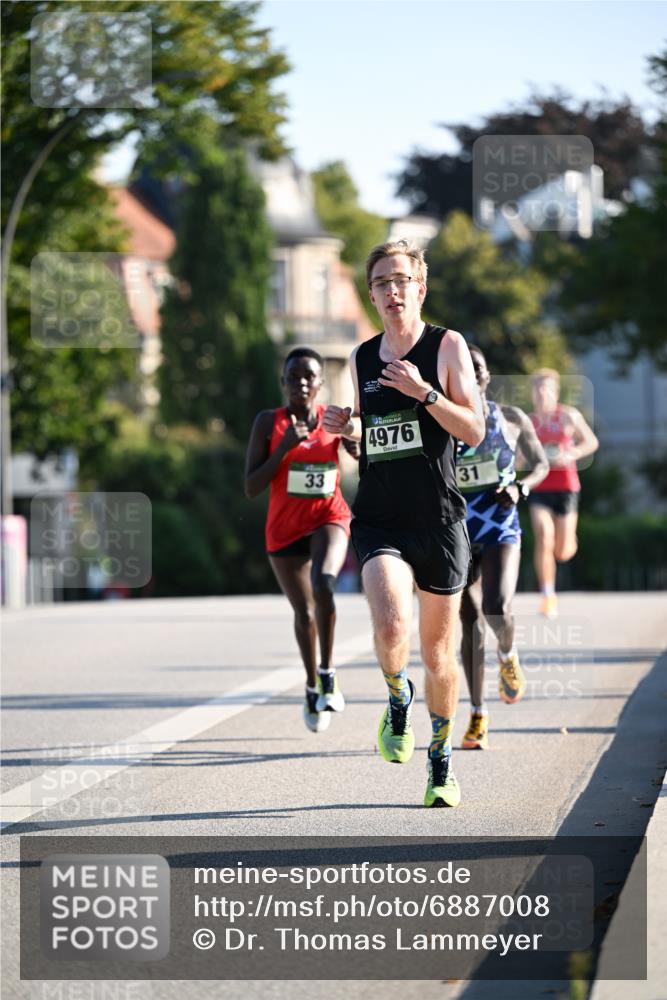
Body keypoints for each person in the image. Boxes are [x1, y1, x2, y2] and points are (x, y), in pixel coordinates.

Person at [324, 239, 484, 808]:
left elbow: (473, 430)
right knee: (392, 625)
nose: (391, 292)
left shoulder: (447, 346)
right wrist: (346, 430)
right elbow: (367, 447)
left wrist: (426, 393)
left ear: (420, 287)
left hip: (438, 521)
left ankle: (440, 764)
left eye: (400, 281)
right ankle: (397, 698)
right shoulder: (362, 357)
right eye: (380, 284)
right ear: (371, 295)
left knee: (440, 654)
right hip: (381, 518)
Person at [244, 348, 354, 732]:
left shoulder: (333, 419)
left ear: (321, 383)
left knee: (325, 582)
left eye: (309, 376)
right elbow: (252, 487)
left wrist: (355, 442)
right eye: (293, 377)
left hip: (329, 516)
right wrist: (284, 448)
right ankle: (311, 686)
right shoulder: (267, 423)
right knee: (304, 612)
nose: (301, 383)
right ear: (284, 383)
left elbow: (362, 452)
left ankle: (327, 672)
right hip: (284, 529)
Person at [458, 346, 549, 750]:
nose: (470, 374)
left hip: (499, 523)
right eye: (463, 368)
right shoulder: (443, 422)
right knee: (468, 619)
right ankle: (478, 713)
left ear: (486, 375)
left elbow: (541, 464)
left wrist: (521, 487)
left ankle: (508, 655)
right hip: (456, 528)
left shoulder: (510, 418)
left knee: (496, 607)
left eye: (476, 368)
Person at [528, 369, 599, 619]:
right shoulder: (528, 422)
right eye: (537, 388)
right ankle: (548, 595)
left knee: (563, 551)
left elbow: (591, 442)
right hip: (539, 487)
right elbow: (517, 455)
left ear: (556, 391)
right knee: (543, 537)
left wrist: (570, 454)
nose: (542, 393)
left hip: (567, 486)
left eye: (547, 388)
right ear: (532, 392)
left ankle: (569, 541)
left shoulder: (569, 415)